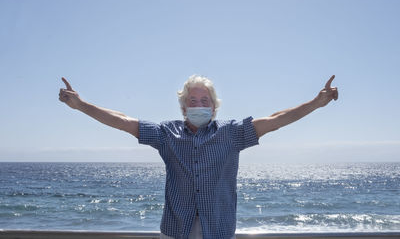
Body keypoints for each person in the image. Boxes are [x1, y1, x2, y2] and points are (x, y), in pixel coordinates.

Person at [59, 74, 338, 239]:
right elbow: (122, 120)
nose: (199, 105)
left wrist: (316, 103)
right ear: (183, 108)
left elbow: (276, 119)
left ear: (214, 107)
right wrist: (81, 106)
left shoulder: (232, 134)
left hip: (217, 230)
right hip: (175, 229)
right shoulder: (166, 134)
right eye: (193, 101)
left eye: (205, 101)